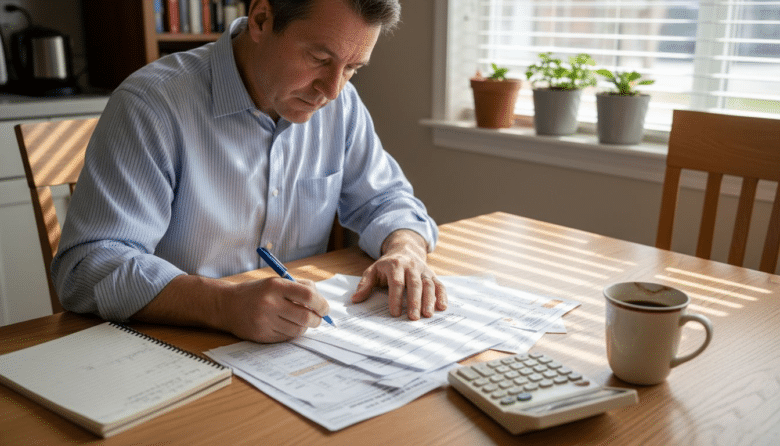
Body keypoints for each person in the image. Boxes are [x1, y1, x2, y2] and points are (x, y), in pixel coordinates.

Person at [51, 0, 447, 343]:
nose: (331, 90)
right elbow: (88, 266)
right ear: (260, 20)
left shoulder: (341, 107)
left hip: (292, 353)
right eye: (320, 59)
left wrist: (405, 250)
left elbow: (387, 199)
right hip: (171, 349)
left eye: (352, 69)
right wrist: (222, 305)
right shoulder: (152, 106)